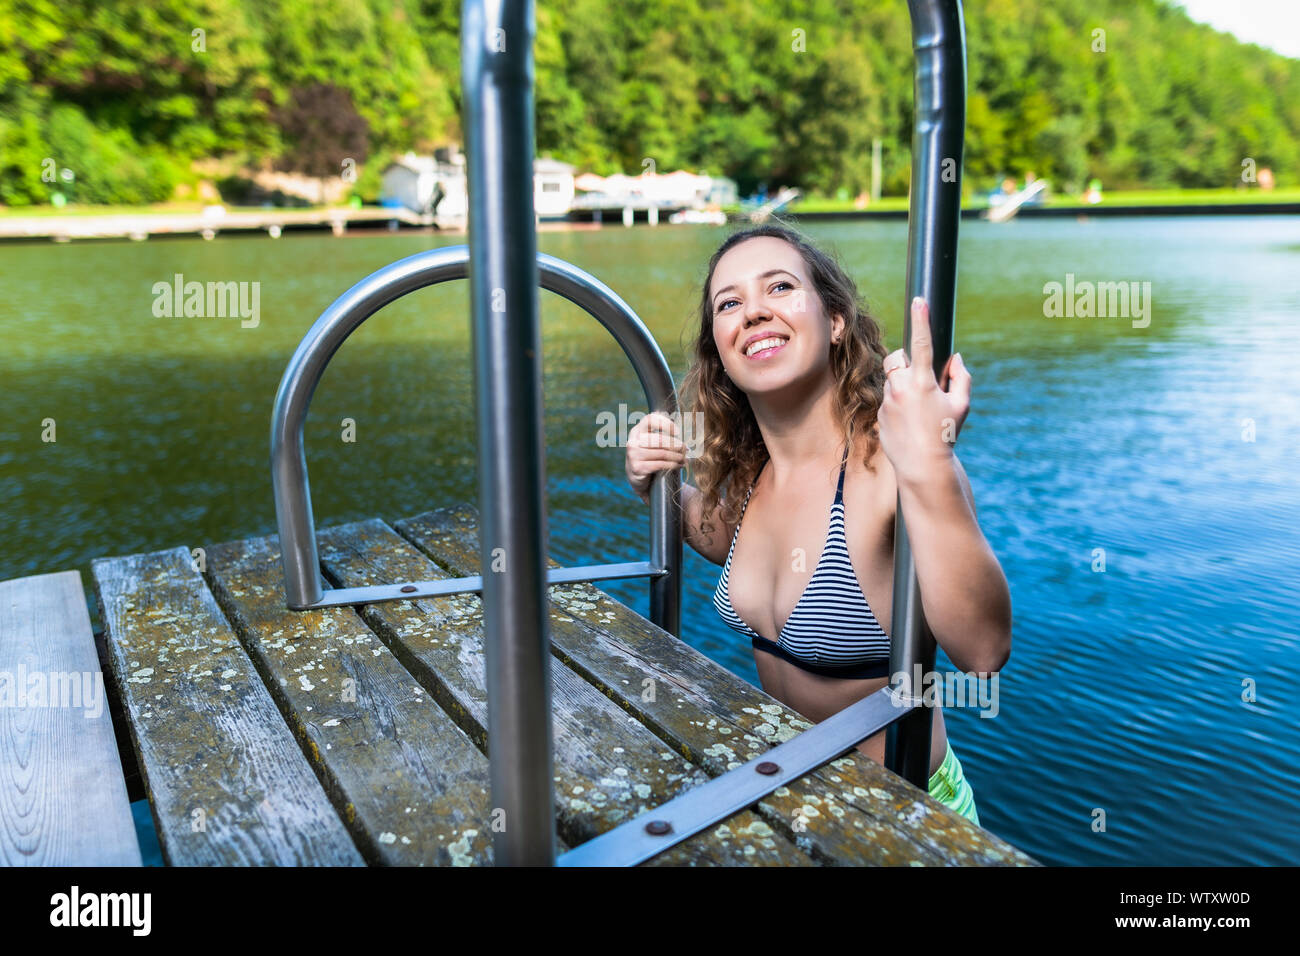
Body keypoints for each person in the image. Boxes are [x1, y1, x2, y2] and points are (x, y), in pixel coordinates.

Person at [623, 221, 1012, 826]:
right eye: (730, 303)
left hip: (906, 816)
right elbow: (715, 537)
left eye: (778, 288)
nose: (753, 312)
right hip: (796, 803)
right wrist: (657, 482)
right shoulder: (752, 478)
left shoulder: (891, 461)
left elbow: (983, 652)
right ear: (720, 352)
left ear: (834, 322)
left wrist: (932, 463)